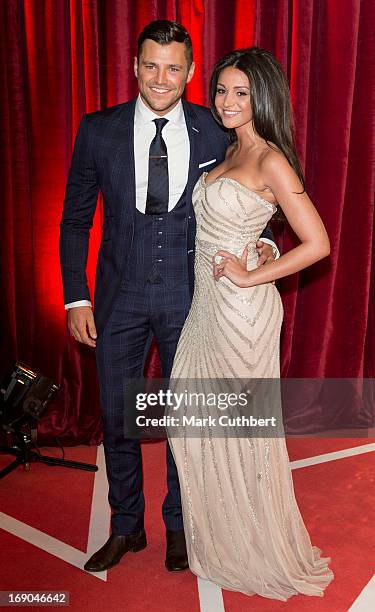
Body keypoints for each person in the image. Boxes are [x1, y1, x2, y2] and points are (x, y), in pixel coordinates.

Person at [59, 21, 277, 573]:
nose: (162, 78)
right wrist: (76, 297)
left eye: (174, 68)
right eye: (151, 66)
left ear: (190, 72)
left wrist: (265, 244)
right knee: (119, 417)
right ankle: (126, 527)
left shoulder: (214, 127)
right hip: (117, 296)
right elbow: (75, 221)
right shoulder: (98, 130)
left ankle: (181, 526)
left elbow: (252, 191)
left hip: (194, 297)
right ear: (135, 66)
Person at [167, 47, 334, 600]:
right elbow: (250, 221)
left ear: (263, 97)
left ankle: (255, 544)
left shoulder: (271, 160)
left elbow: (317, 244)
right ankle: (224, 535)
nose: (227, 101)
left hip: (242, 315)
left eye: (241, 92)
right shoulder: (231, 149)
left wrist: (250, 274)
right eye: (221, 91)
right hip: (206, 311)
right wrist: (259, 244)